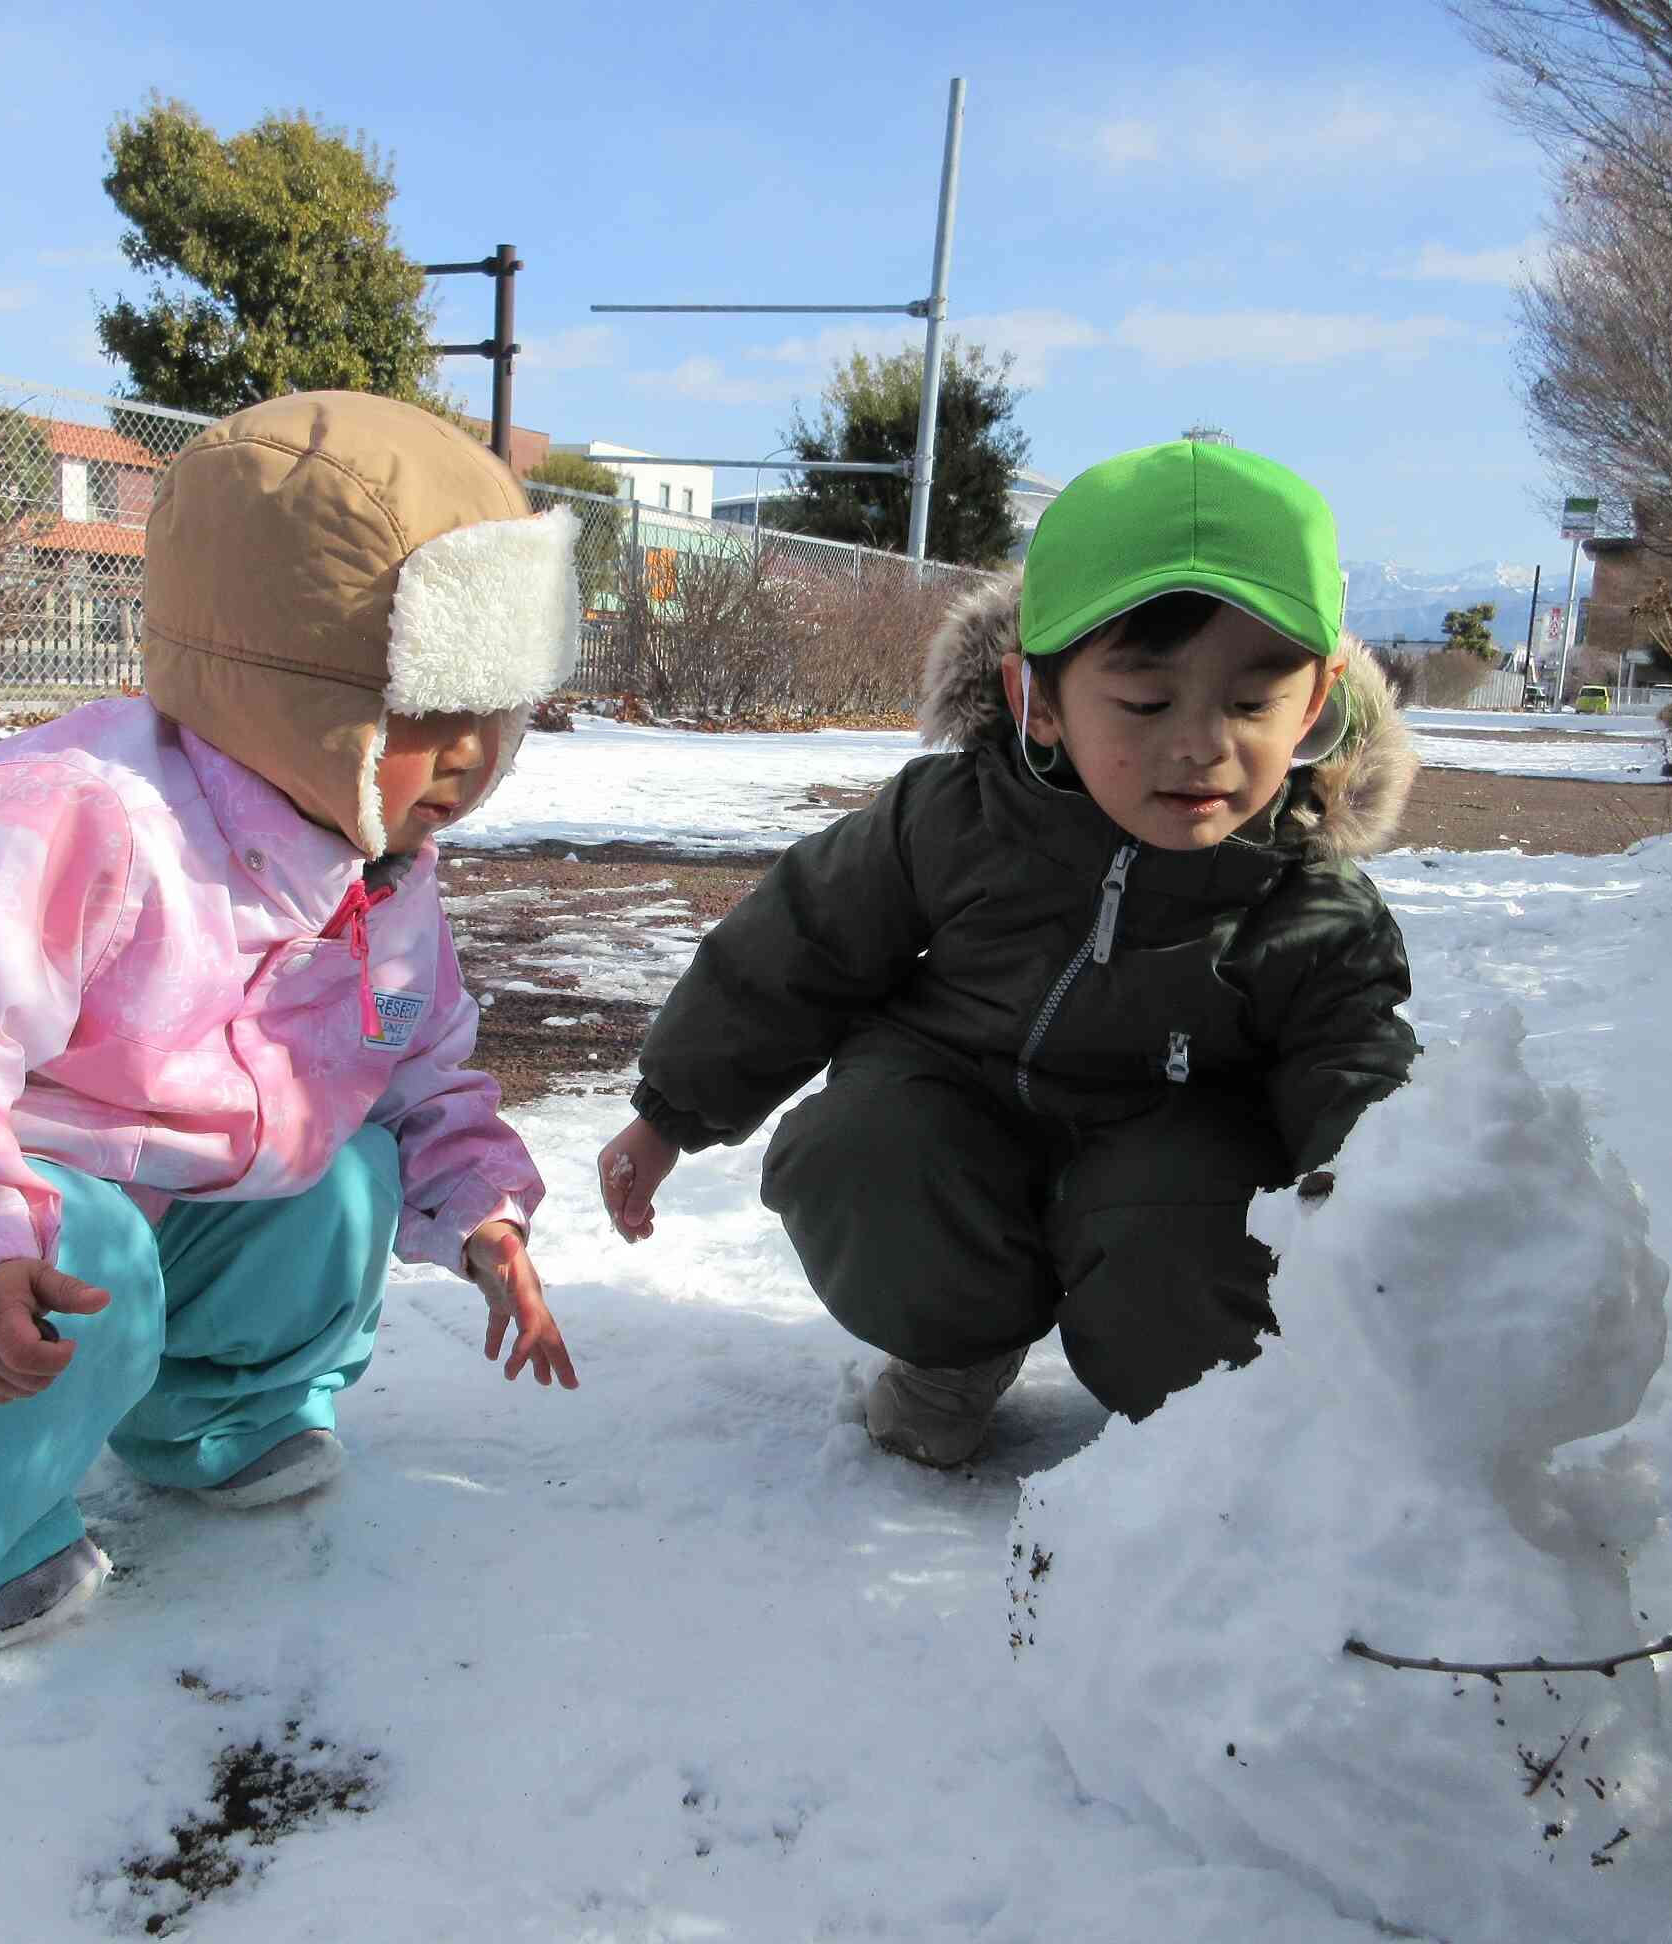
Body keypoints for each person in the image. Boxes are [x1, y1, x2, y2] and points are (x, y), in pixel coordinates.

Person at [0, 393, 584, 1653]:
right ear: (283, 687)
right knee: (88, 1251)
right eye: (425, 709)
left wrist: (484, 1215)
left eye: (500, 712)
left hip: (157, 1190)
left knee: (343, 1180)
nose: (470, 759)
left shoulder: (381, 875)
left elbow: (419, 1072)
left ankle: (211, 1411)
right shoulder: (68, 821)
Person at [595, 440, 1420, 1467]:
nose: (1203, 742)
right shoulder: (955, 818)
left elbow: (1359, 1074)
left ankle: (1201, 1426)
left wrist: (1400, 1223)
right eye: (1147, 702)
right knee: (860, 1149)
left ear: (1319, 696)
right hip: (959, 1113)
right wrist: (672, 1112)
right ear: (1038, 696)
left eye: (1252, 703)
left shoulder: (1307, 903)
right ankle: (954, 1352)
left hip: (1166, 1165)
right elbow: (797, 943)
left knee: (1199, 1239)